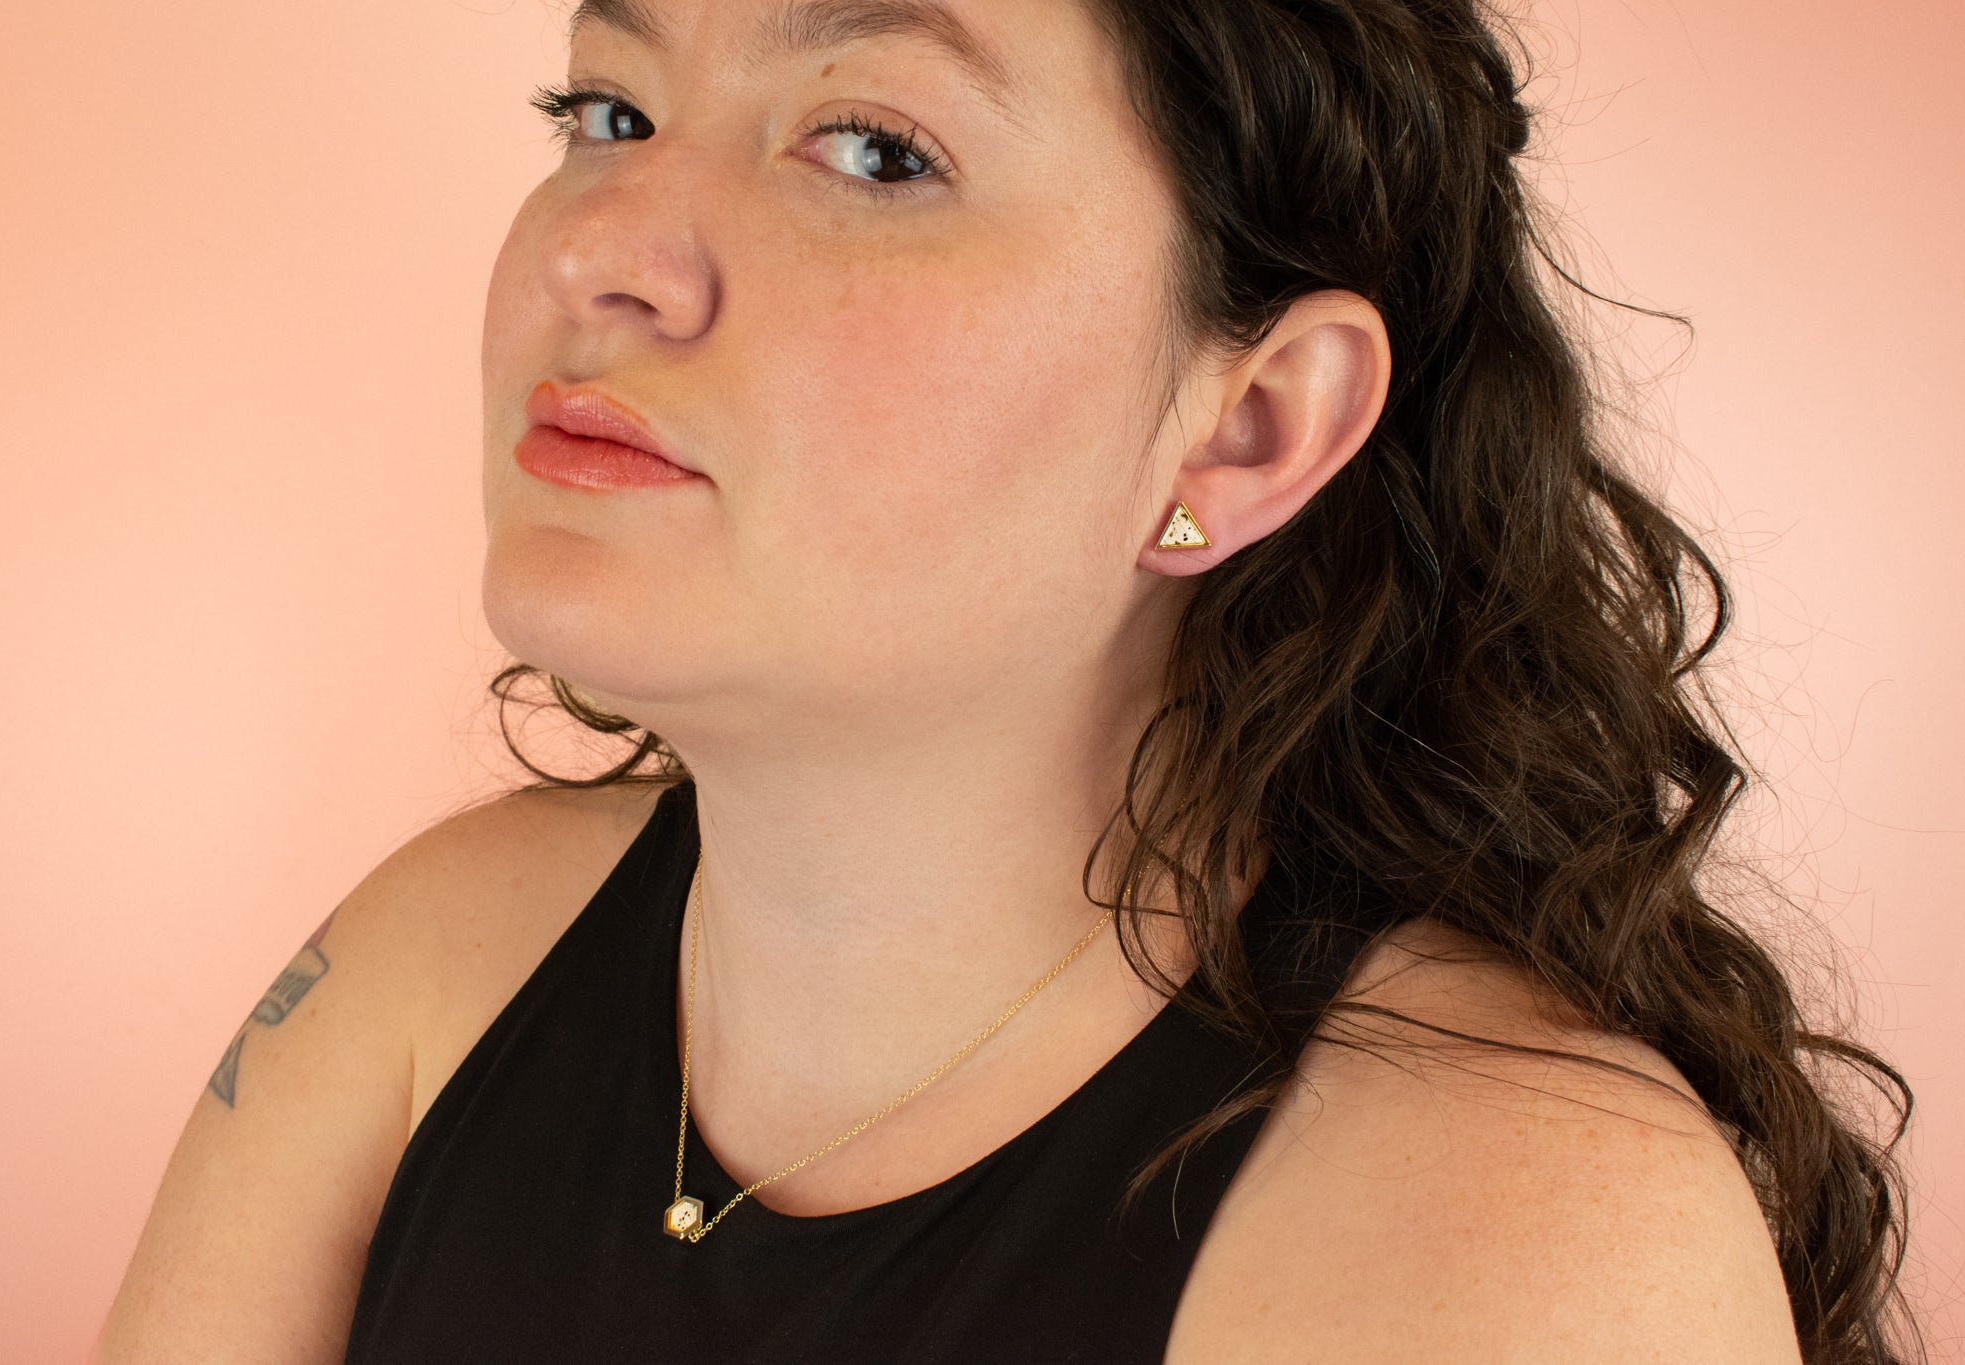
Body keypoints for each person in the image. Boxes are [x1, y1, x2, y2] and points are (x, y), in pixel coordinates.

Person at [94, 0, 1926, 1361]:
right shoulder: (435, 962)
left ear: (1249, 428)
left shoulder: (1524, 1235)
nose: (595, 249)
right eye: (608, 105)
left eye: (876, 148)